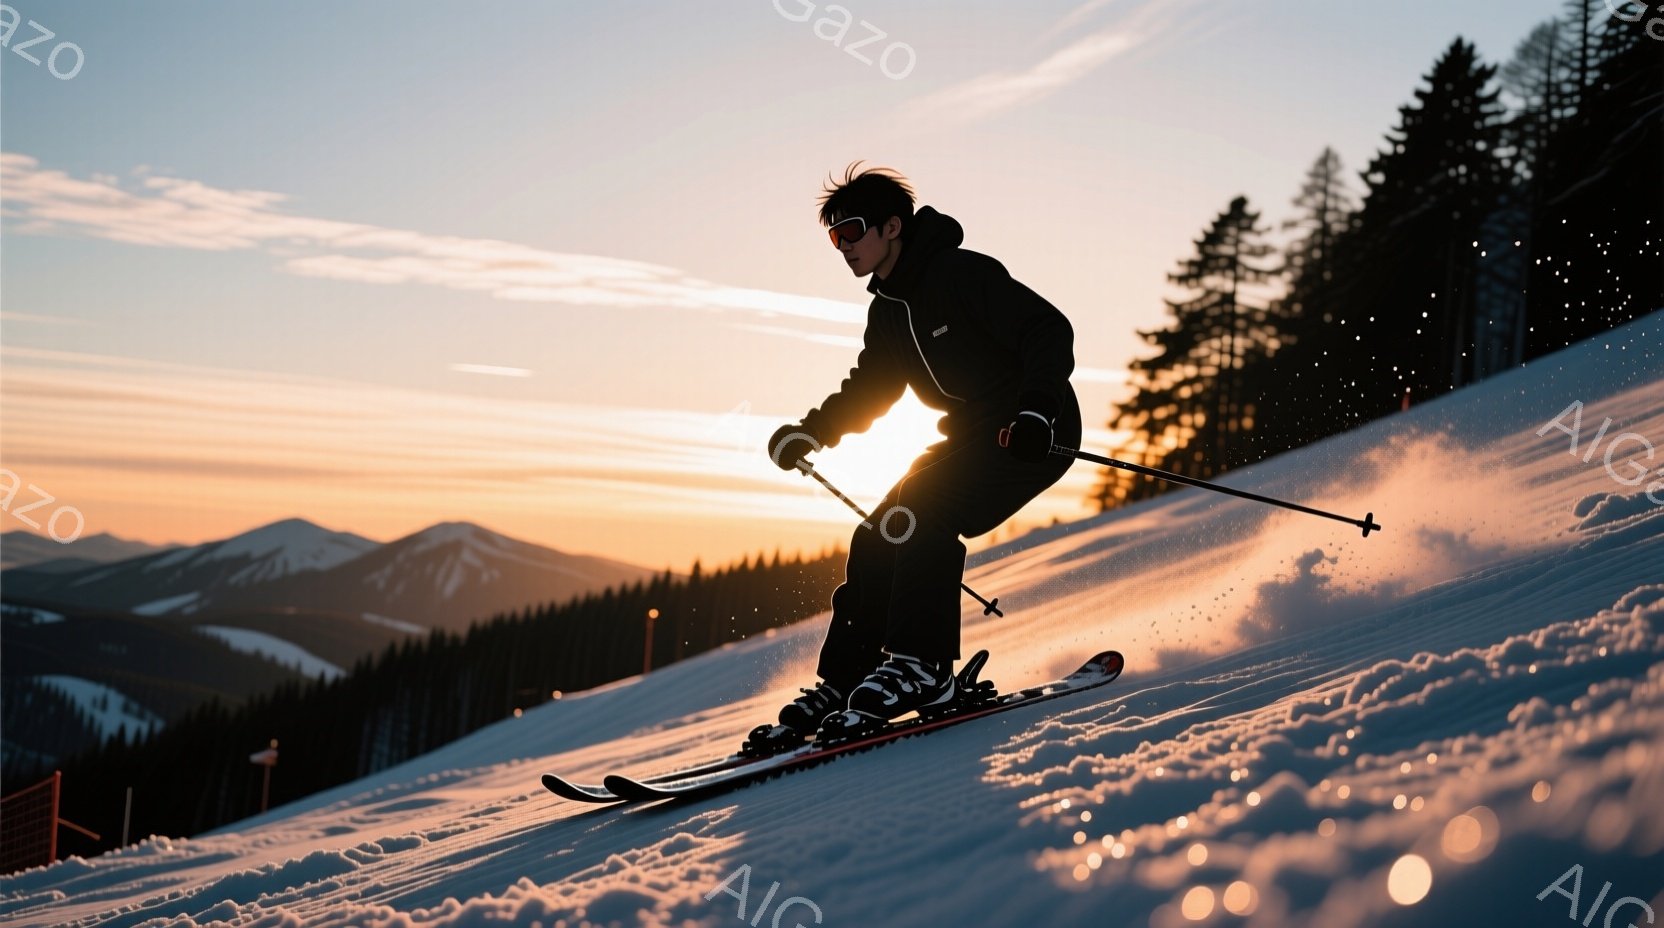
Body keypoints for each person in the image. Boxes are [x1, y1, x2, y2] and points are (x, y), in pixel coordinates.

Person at [765, 163, 1083, 739]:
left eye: (853, 230)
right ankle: (849, 676)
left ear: (892, 227)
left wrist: (1035, 410)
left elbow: (1048, 330)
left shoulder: (961, 274)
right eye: (834, 236)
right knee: (880, 530)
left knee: (923, 509)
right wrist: (813, 431)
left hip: (1033, 426)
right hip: (968, 435)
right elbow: (872, 387)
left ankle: (923, 667)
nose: (844, 246)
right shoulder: (887, 309)